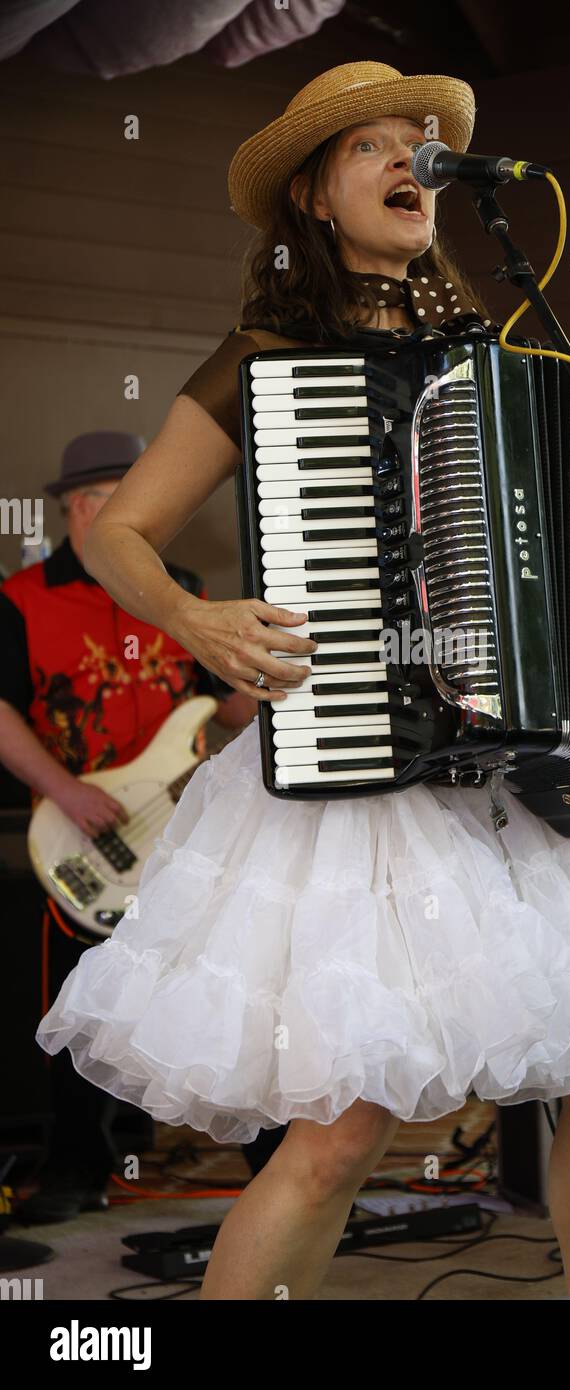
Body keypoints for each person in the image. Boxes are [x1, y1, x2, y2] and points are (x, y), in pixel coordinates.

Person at [34, 63, 570, 1300]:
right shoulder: (272, 352)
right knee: (344, 1129)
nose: (407, 160)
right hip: (371, 771)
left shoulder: (507, 352)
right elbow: (116, 534)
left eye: (417, 142)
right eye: (368, 147)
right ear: (313, 192)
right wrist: (195, 618)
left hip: (523, 776)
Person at [0, 431, 254, 1222]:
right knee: (81, 1000)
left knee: (225, 993)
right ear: (81, 508)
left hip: (183, 839)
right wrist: (65, 790)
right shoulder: (22, 600)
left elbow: (223, 705)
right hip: (83, 838)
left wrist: (277, 681)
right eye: (123, 502)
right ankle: (78, 1168)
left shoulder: (178, 587)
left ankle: (274, 1167)